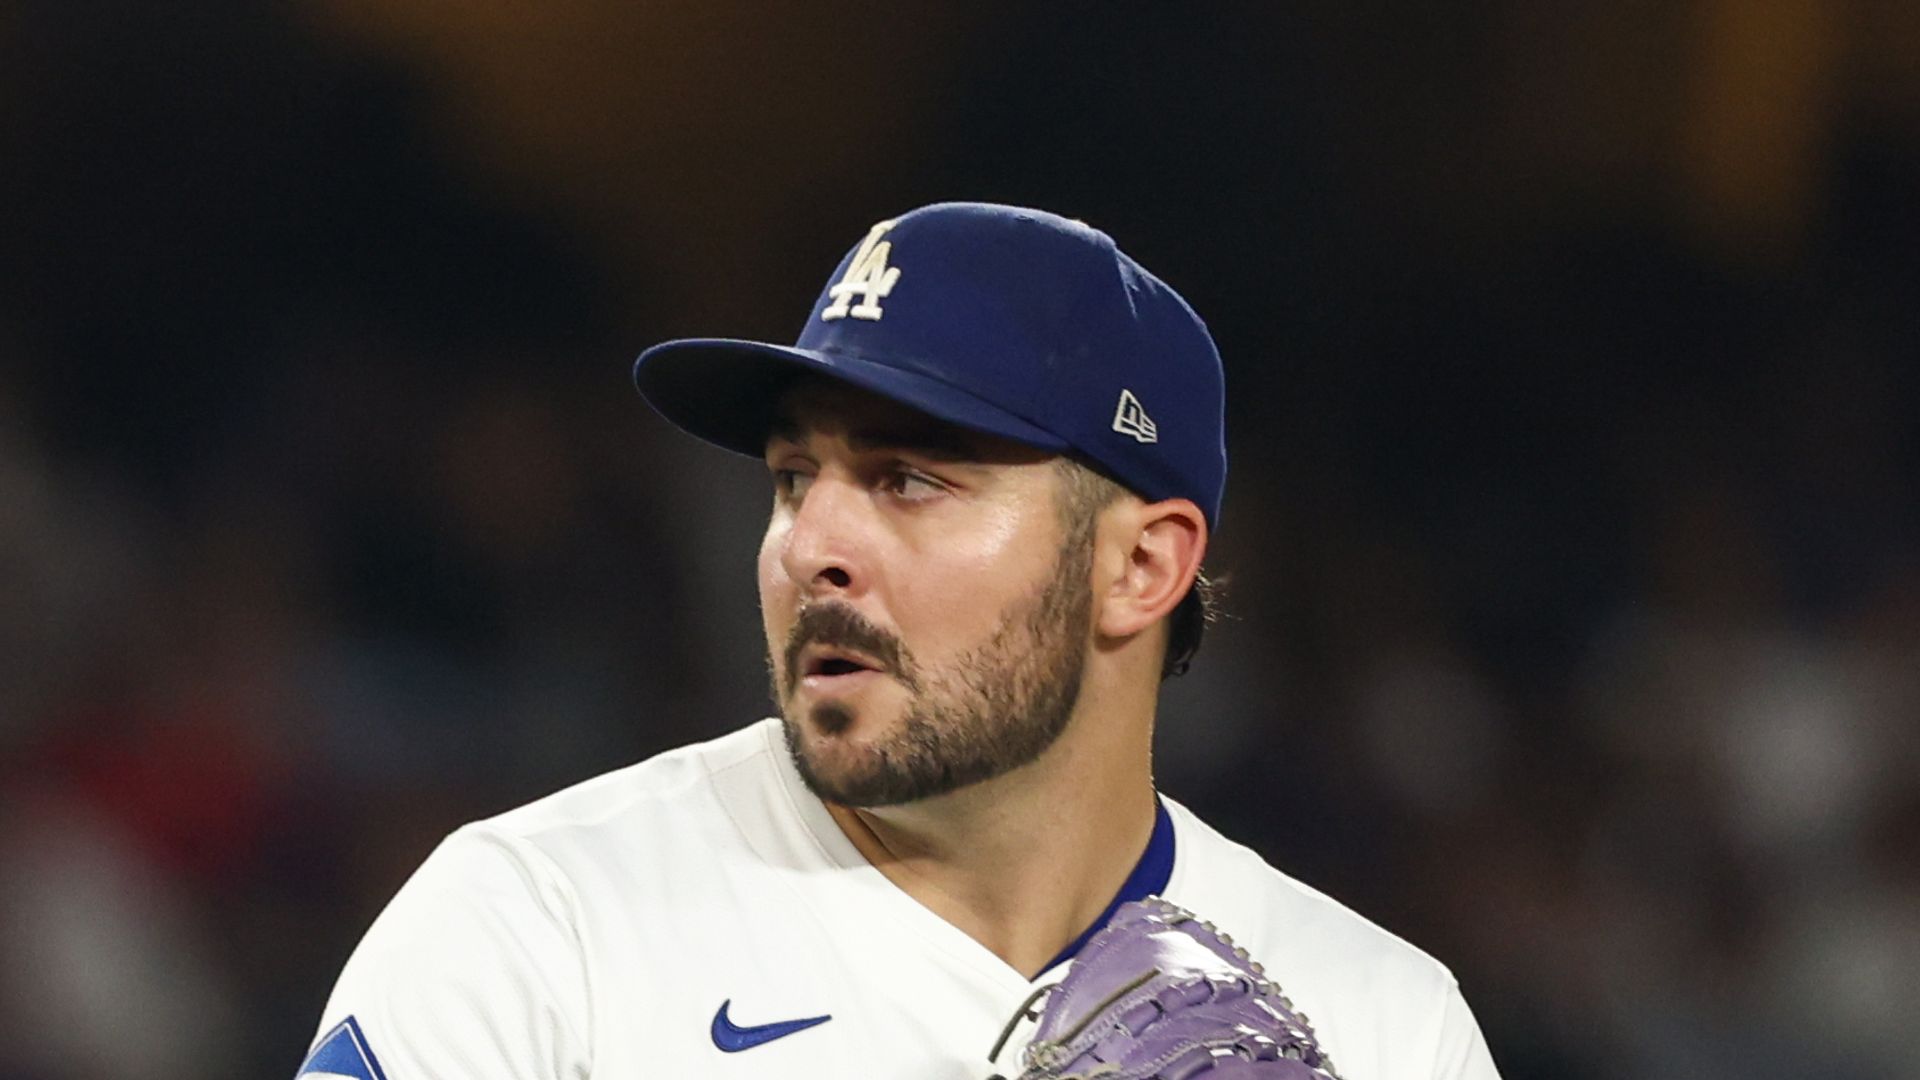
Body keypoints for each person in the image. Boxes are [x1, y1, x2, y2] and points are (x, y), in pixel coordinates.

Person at [295, 202, 1502, 1079]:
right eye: (792, 478)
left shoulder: (1382, 1026)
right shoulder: (539, 928)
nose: (808, 542)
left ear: (1139, 567)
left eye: (909, 480)